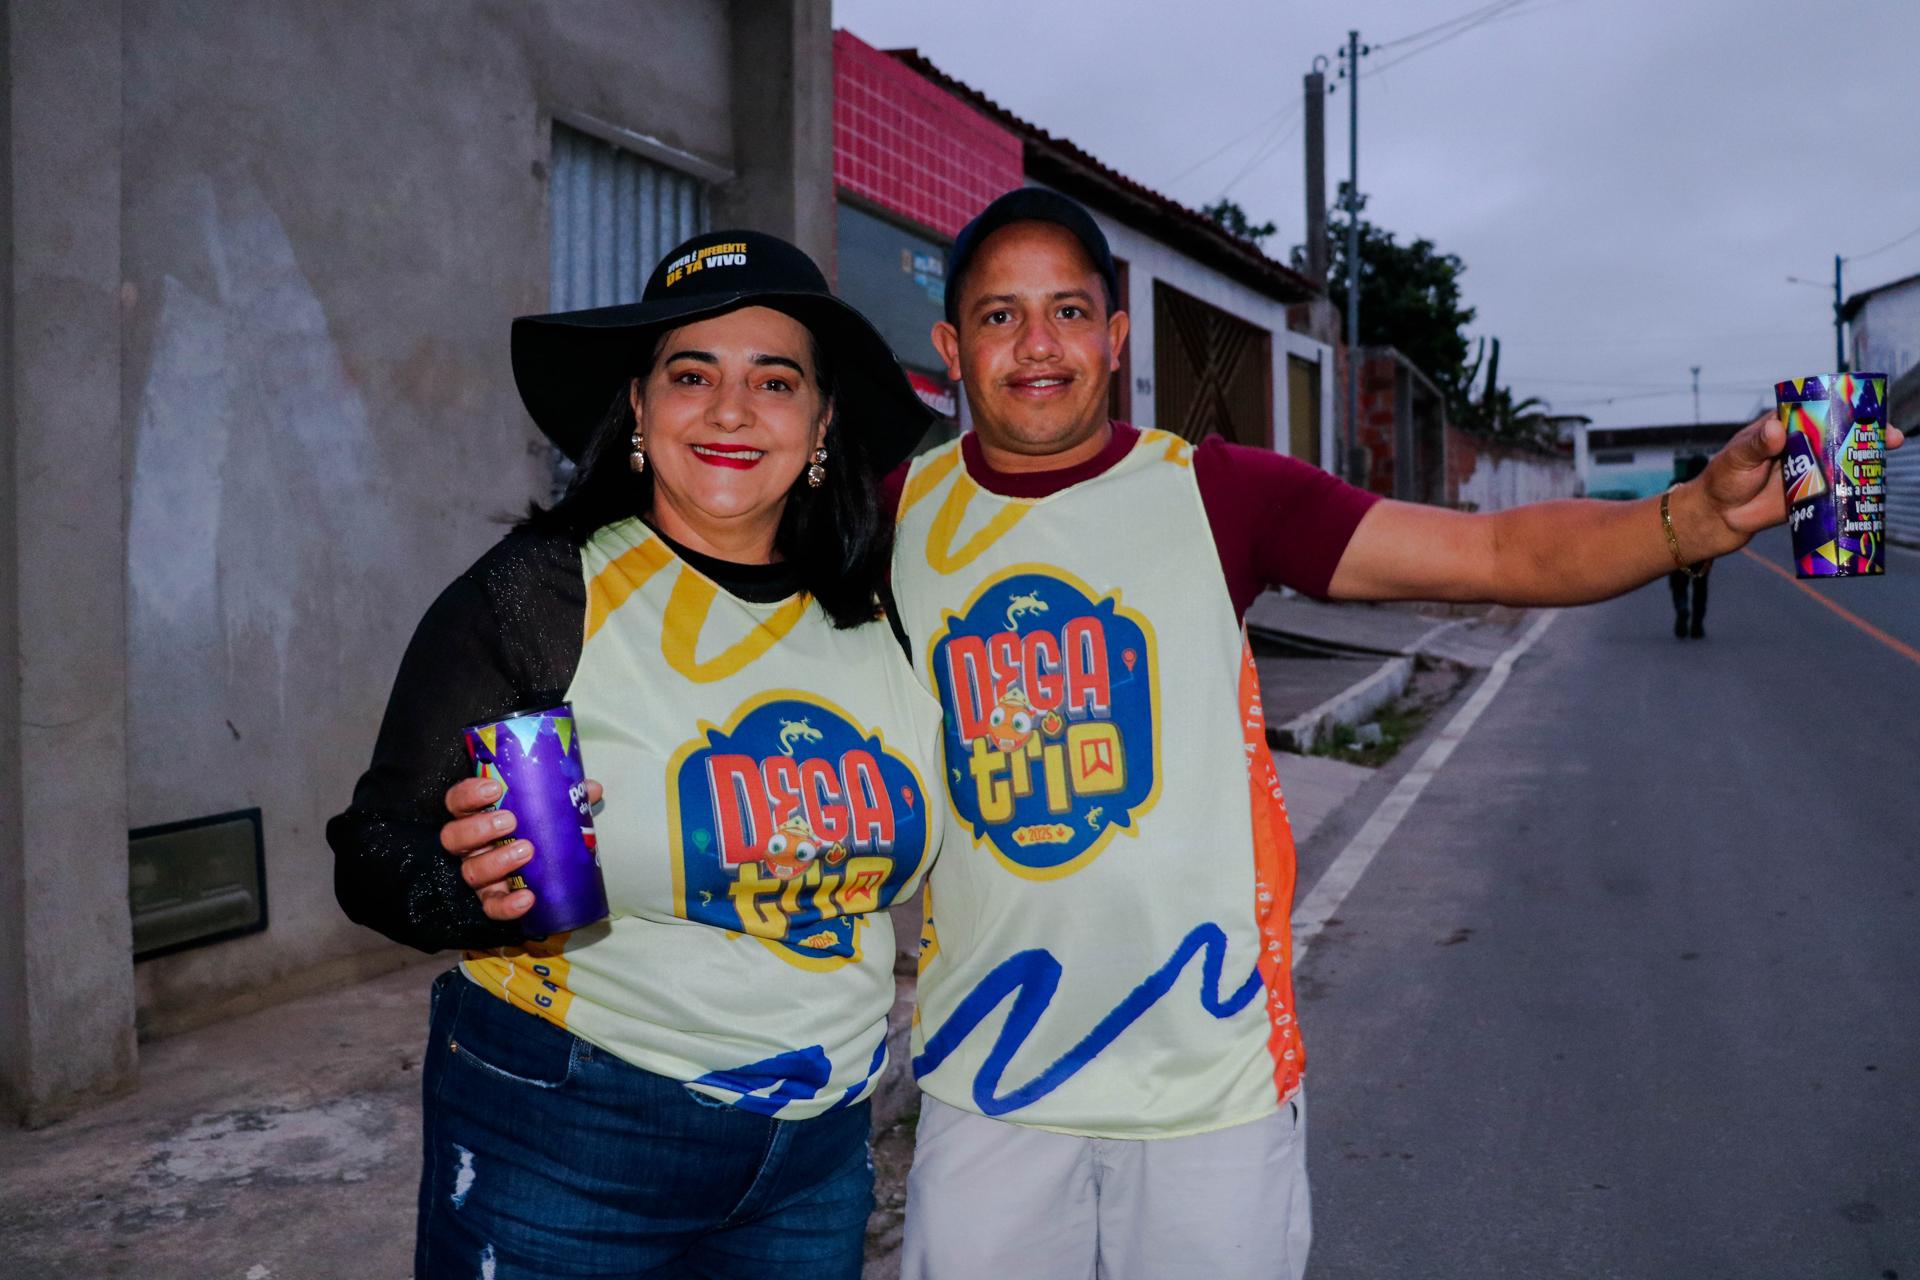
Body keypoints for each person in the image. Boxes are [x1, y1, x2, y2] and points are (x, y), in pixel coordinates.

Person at [884, 188, 1905, 1280]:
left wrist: (1694, 515)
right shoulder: (888, 516)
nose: (1038, 344)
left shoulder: (1214, 492)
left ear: (1117, 334)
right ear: (951, 347)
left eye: (1069, 311)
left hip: (1208, 1086)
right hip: (983, 1085)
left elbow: (1497, 553)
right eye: (1000, 315)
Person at [326, 230, 944, 1280]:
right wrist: (466, 886)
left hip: (817, 1159)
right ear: (641, 409)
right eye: (692, 375)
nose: (731, 409)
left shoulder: (881, 611)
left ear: (822, 422)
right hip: (571, 1137)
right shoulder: (544, 592)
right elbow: (374, 849)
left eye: (775, 380)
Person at [1668, 453, 1714, 638]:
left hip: (1679, 543)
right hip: (1703, 546)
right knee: (1700, 587)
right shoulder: (1709, 488)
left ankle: (1681, 607)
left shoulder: (1675, 485)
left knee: (1678, 583)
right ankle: (1697, 626)